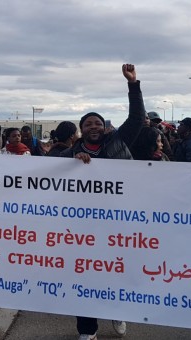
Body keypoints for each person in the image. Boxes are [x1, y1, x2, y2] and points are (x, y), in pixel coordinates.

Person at [62, 63, 146, 340]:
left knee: (116, 273)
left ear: (105, 127)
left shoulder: (119, 142)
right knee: (83, 277)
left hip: (117, 225)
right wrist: (72, 165)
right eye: (88, 124)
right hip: (80, 229)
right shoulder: (67, 157)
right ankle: (87, 330)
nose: (94, 127)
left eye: (98, 122)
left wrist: (133, 84)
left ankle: (117, 311)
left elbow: (137, 118)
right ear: (81, 130)